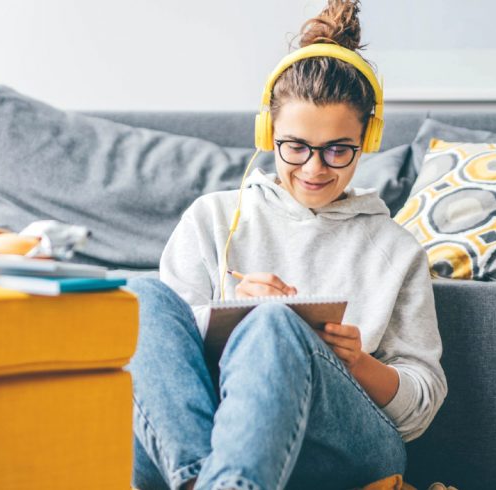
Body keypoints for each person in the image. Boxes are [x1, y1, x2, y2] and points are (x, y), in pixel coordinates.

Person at [125, 1, 446, 489]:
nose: (316, 169)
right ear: (267, 133)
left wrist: (357, 362)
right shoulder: (212, 218)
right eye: (295, 147)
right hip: (207, 437)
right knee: (142, 298)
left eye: (339, 150)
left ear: (369, 139)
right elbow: (166, 369)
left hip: (346, 442)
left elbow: (418, 412)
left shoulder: (396, 249)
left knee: (275, 322)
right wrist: (232, 319)